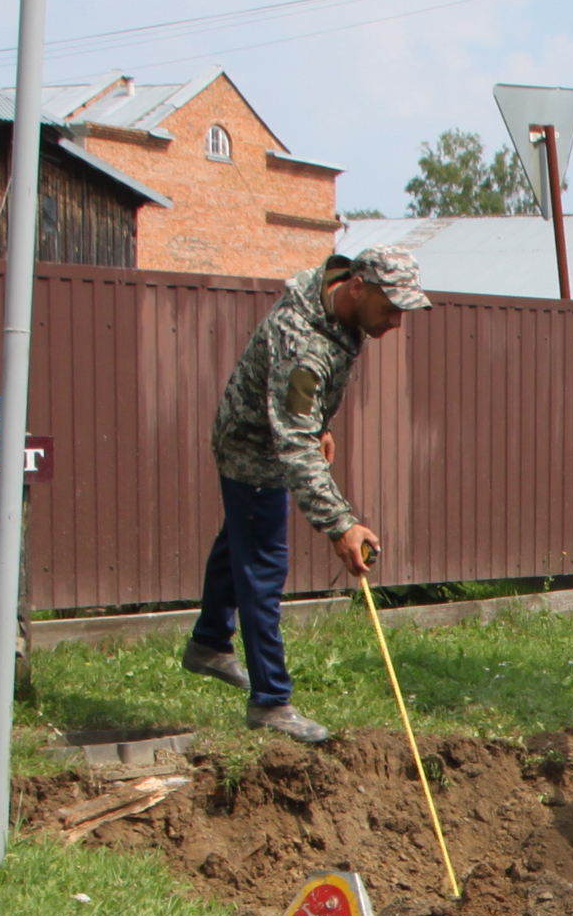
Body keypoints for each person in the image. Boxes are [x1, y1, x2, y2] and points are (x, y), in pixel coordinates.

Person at [182, 243, 428, 742]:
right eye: (389, 309)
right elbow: (291, 436)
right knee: (263, 565)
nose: (395, 324)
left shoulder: (333, 301)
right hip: (257, 447)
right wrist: (340, 524)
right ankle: (271, 702)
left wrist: (320, 422)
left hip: (273, 431)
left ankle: (209, 643)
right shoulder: (302, 341)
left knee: (240, 545)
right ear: (358, 286)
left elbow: (301, 408)